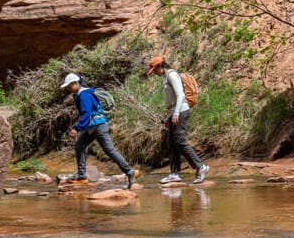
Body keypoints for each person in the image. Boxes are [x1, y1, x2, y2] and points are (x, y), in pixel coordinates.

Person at [60, 73, 139, 188]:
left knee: (109, 150)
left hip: (98, 126)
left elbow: (87, 114)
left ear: (75, 83)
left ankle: (130, 172)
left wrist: (76, 128)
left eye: (69, 86)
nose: (68, 89)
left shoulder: (84, 95)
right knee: (79, 146)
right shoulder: (82, 94)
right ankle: (82, 176)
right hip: (92, 126)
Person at [148, 56, 209, 184]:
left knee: (179, 140)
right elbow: (171, 100)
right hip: (173, 113)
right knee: (172, 143)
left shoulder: (172, 75)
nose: (154, 73)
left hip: (181, 111)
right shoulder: (165, 77)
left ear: (161, 66)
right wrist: (168, 117)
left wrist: (175, 114)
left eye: (155, 70)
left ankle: (200, 167)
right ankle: (174, 174)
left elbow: (180, 95)